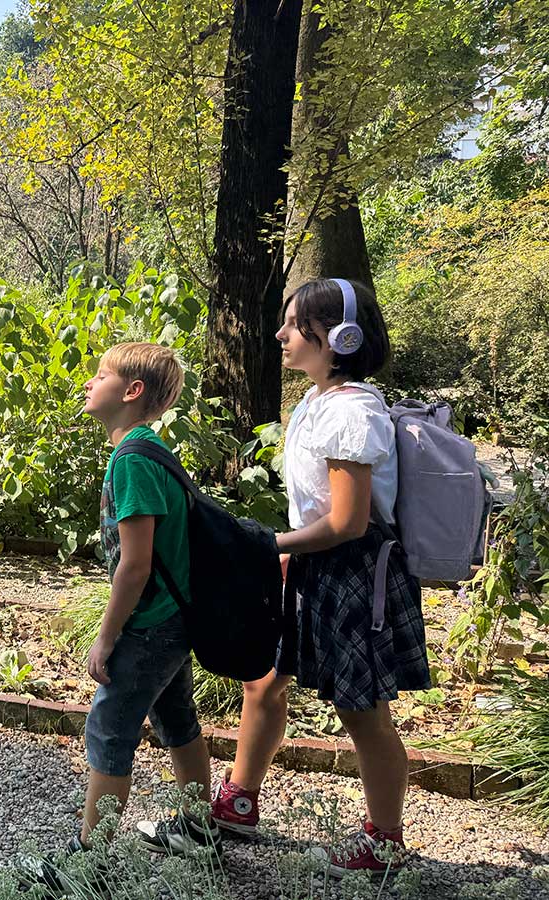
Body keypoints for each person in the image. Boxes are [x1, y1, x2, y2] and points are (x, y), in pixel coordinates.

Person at [211, 278, 431, 877]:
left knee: (363, 711)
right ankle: (238, 800)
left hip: (353, 571)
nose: (281, 335)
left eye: (294, 325)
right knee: (263, 678)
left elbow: (348, 521)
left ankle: (384, 842)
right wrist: (286, 553)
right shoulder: (315, 402)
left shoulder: (354, 410)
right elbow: (317, 513)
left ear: (339, 338)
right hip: (312, 563)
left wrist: (266, 545)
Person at [78, 342, 220, 857]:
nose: (89, 384)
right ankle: (200, 830)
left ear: (132, 392)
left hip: (149, 623)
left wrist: (106, 636)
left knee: (109, 729)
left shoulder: (131, 461)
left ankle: (92, 860)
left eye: (100, 375)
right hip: (174, 617)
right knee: (176, 717)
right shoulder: (151, 451)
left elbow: (135, 565)